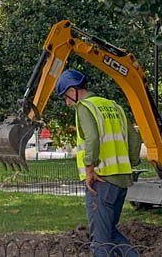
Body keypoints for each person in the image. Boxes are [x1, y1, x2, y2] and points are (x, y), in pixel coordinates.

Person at [55, 69, 142, 257]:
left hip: (101, 181)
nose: (67, 103)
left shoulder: (84, 107)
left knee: (100, 241)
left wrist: (89, 171)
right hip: (121, 180)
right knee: (109, 232)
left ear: (72, 90)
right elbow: (135, 138)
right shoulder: (114, 106)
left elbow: (92, 139)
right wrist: (130, 162)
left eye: (65, 97)